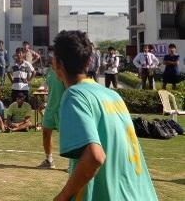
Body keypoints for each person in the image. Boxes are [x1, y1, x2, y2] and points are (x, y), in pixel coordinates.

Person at [52, 30, 157, 201]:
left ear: (57, 63)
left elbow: (95, 156)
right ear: (89, 62)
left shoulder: (75, 96)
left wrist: (62, 196)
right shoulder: (112, 95)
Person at [38, 46, 65, 169]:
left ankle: (72, 164)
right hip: (50, 107)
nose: (49, 56)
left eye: (51, 54)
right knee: (46, 132)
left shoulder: (64, 71)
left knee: (67, 136)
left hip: (62, 108)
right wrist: (42, 93)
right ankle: (49, 160)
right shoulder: (49, 70)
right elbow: (47, 85)